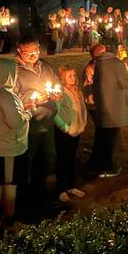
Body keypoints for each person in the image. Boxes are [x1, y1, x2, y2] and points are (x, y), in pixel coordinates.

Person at [0, 58, 35, 228]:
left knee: (0, 180)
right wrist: (30, 111)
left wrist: (22, 106)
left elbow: (9, 113)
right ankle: (9, 218)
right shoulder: (5, 94)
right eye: (14, 71)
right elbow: (15, 122)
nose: (16, 74)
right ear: (6, 73)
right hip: (9, 147)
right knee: (10, 182)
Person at [13, 34, 59, 206]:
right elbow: (12, 100)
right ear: (19, 51)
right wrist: (33, 101)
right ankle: (22, 200)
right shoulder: (14, 71)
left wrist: (57, 92)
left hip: (47, 123)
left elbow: (55, 82)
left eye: (36, 51)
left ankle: (41, 195)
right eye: (29, 53)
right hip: (29, 125)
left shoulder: (44, 66)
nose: (34, 55)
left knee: (46, 160)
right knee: (25, 163)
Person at [92, 40, 128, 177]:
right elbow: (124, 83)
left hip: (103, 105)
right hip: (115, 106)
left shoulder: (99, 63)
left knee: (103, 137)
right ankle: (107, 168)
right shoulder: (117, 63)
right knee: (110, 139)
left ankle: (98, 164)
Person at [53, 65, 88, 203]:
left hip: (76, 129)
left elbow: (82, 108)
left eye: (74, 75)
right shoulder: (60, 93)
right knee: (62, 159)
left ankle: (71, 186)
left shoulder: (77, 91)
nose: (73, 78)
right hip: (64, 131)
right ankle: (61, 189)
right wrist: (64, 127)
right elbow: (55, 112)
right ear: (62, 78)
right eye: (69, 76)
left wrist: (83, 123)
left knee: (71, 158)